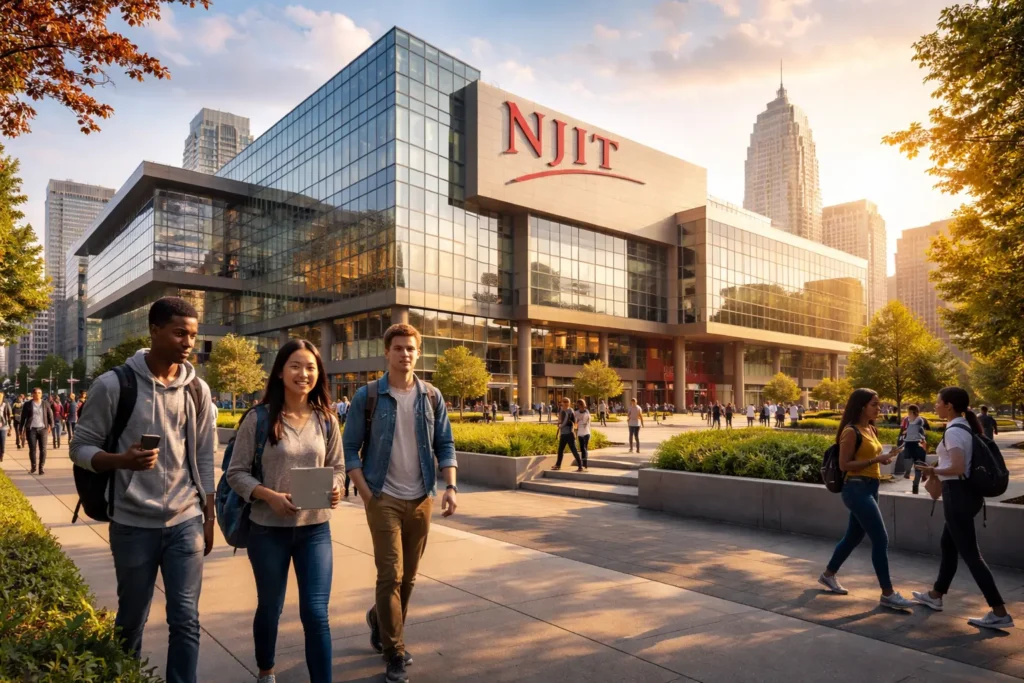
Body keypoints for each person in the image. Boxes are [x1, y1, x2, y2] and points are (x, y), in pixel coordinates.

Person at [69, 297, 218, 683]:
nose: (188, 342)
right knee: (132, 618)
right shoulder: (113, 385)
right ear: (153, 330)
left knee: (186, 619)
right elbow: (79, 447)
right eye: (179, 332)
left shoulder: (197, 391)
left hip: (185, 519)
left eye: (193, 335)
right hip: (132, 523)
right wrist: (121, 460)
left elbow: (203, 458)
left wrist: (208, 516)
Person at [342, 323, 457, 683]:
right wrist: (366, 493)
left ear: (418, 353)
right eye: (398, 348)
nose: (405, 354)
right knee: (390, 574)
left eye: (410, 348)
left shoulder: (432, 396)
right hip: (383, 496)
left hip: (421, 496)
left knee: (408, 578)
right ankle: (394, 651)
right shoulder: (368, 395)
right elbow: (349, 449)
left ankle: (379, 619)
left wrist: (450, 487)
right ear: (387, 352)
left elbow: (445, 445)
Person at [228, 340, 344, 683]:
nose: (303, 374)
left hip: (315, 529)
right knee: (270, 608)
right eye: (295, 366)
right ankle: (266, 669)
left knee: (316, 613)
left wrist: (336, 487)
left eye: (310, 367)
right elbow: (235, 473)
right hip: (268, 529)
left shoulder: (326, 419)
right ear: (280, 371)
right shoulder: (258, 418)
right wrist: (268, 495)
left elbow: (337, 466)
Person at [911, 387, 1015, 630]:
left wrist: (932, 470)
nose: (934, 406)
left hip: (957, 496)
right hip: (965, 496)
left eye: (937, 402)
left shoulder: (954, 431)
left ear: (948, 405)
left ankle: (999, 610)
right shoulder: (964, 427)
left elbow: (958, 468)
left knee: (972, 556)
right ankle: (936, 595)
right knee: (949, 546)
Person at [818, 388, 915, 610]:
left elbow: (871, 458)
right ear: (862, 406)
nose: (879, 408)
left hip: (871, 487)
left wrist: (884, 458)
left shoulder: (870, 429)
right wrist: (875, 460)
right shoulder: (851, 431)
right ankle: (888, 593)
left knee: (853, 536)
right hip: (856, 489)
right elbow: (844, 465)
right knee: (881, 539)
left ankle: (828, 574)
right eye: (874, 404)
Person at [21, 387, 54, 474]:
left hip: (43, 429)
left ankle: (41, 467)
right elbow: (23, 418)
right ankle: (33, 466)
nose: (38, 394)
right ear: (33, 394)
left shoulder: (45, 403)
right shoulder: (28, 404)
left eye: (39, 393)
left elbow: (50, 415)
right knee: (32, 449)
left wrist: (51, 425)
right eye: (36, 393)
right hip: (31, 429)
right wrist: (21, 430)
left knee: (43, 449)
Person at [901, 405, 928, 494]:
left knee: (918, 466)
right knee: (908, 461)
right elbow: (909, 430)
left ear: (913, 412)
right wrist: (905, 432)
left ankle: (915, 485)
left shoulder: (918, 420)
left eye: (909, 412)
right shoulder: (908, 421)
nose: (908, 414)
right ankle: (908, 473)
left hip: (917, 444)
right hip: (909, 444)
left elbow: (916, 427)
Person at [552, 397, 581, 471]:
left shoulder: (570, 410)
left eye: (567, 402)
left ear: (569, 403)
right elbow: (561, 419)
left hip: (569, 434)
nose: (565, 403)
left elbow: (566, 420)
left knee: (574, 450)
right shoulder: (562, 410)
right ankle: (558, 465)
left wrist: (560, 426)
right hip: (563, 434)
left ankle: (580, 465)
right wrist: (558, 423)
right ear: (561, 402)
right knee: (560, 450)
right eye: (564, 401)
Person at [575, 399, 591, 473]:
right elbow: (575, 423)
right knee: (582, 448)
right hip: (580, 432)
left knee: (585, 448)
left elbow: (589, 421)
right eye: (578, 405)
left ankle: (585, 463)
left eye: (580, 404)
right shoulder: (576, 412)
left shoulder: (587, 411)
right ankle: (584, 463)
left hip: (587, 432)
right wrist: (575, 431)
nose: (579, 406)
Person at [0, 391, 11, 462]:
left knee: (2, 441)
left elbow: (9, 414)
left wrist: (10, 426)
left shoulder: (5, 403)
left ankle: (2, 453)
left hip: (3, 425)